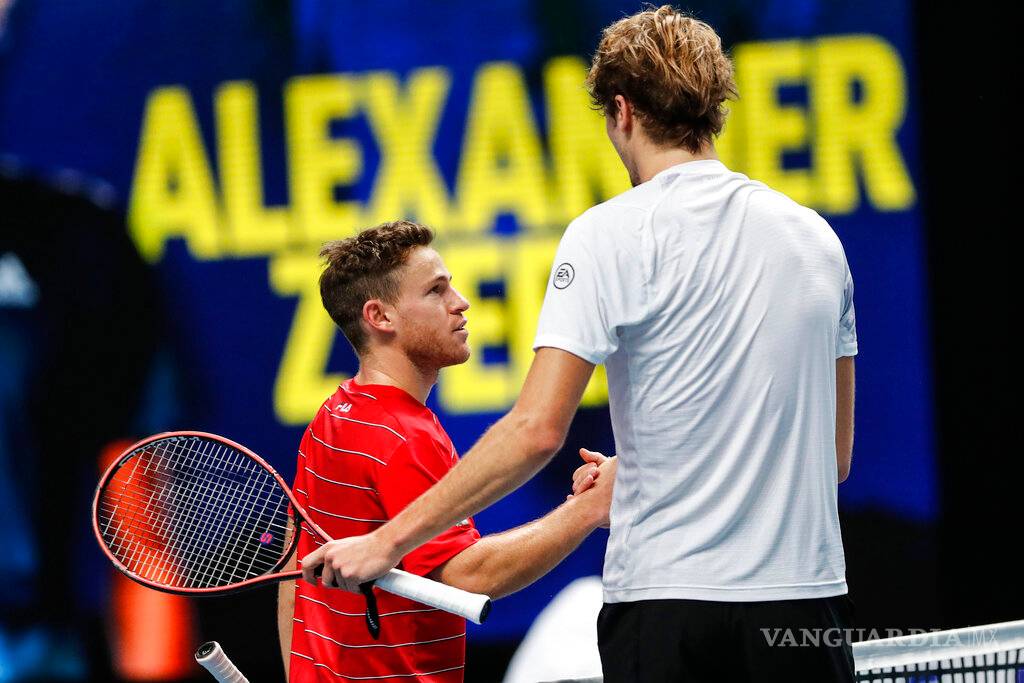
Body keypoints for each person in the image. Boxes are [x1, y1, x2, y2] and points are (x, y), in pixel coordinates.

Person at [301, 6, 858, 681]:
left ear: (621, 112)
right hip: (801, 609)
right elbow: (830, 459)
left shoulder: (607, 233)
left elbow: (537, 430)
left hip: (668, 606)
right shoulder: (816, 239)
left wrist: (386, 543)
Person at [277, 220, 613, 683]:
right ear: (380, 317)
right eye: (436, 291)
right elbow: (470, 578)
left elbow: (294, 569)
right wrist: (589, 510)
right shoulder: (402, 435)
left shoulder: (334, 415)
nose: (460, 302)